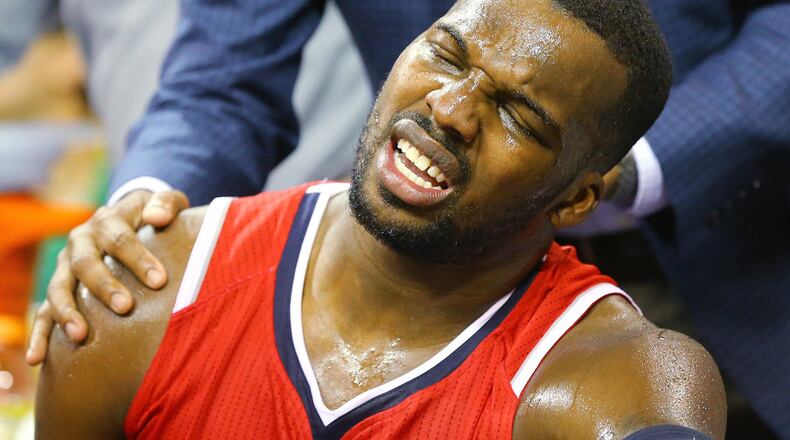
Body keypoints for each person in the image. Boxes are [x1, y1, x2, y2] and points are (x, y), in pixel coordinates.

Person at [29, 0, 790, 435]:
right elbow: (220, 75)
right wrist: (140, 212)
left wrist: (618, 162)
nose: (451, 110)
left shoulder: (619, 386)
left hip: (729, 245)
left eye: (517, 114)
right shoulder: (143, 306)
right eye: (446, 56)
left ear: (577, 197)